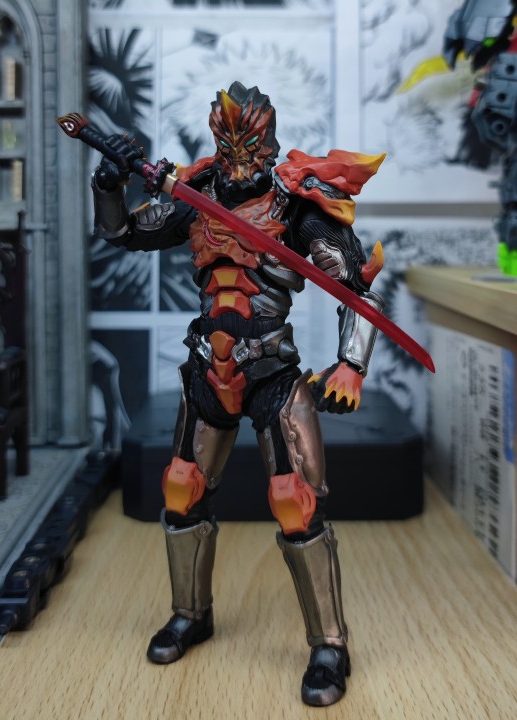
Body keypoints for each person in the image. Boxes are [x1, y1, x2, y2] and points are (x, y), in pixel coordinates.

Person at [91, 81, 385, 707]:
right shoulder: (194, 196)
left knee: (295, 504)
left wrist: (350, 366)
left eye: (249, 146)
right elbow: (122, 234)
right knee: (181, 490)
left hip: (271, 372)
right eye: (228, 145)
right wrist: (108, 185)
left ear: (268, 142)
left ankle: (329, 645)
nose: (239, 158)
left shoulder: (297, 207)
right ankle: (190, 614)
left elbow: (357, 291)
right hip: (208, 369)